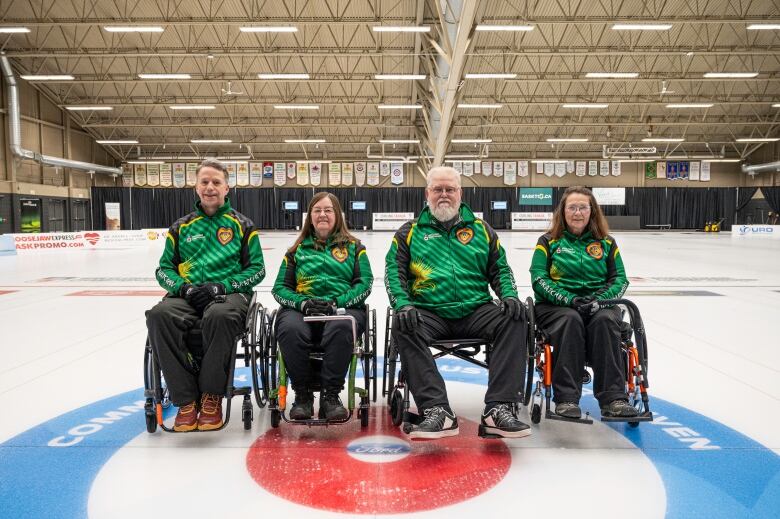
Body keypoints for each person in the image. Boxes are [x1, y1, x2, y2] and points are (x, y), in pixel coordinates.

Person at [385, 166, 530, 440]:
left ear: (459, 193)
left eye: (449, 190)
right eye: (438, 190)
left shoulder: (481, 229)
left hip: (476, 309)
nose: (444, 195)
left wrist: (509, 295)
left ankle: (498, 409)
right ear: (427, 193)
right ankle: (437, 411)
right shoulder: (409, 232)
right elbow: (394, 273)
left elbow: (500, 269)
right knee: (403, 324)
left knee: (516, 316)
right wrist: (403, 304)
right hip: (429, 312)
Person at [146, 158, 265, 431]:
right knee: (158, 316)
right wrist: (184, 288)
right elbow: (163, 269)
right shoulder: (181, 227)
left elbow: (257, 270)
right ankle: (186, 400)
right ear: (196, 188)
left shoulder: (243, 225)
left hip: (227, 294)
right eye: (204, 182)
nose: (210, 187)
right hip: (186, 295)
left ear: (227, 188)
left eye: (216, 182)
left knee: (220, 315)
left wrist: (222, 287)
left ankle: (211, 395)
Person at [529, 186, 637, 420]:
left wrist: (601, 300)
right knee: (570, 319)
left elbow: (620, 279)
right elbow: (538, 278)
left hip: (599, 305)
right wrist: (569, 299)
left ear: (592, 211)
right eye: (572, 207)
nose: (577, 213)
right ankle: (566, 399)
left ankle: (614, 399)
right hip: (557, 306)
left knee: (607, 322)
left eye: (583, 207)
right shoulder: (548, 241)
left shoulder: (607, 243)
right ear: (563, 212)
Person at [271, 192, 373, 421]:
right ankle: (303, 396)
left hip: (341, 308)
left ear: (337, 215)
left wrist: (338, 303)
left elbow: (364, 285)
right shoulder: (296, 251)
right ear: (310, 217)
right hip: (302, 309)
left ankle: (331, 396)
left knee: (342, 327)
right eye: (317, 210)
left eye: (328, 210)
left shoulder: (356, 248)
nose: (323, 215)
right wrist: (302, 303)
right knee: (289, 330)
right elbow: (279, 289)